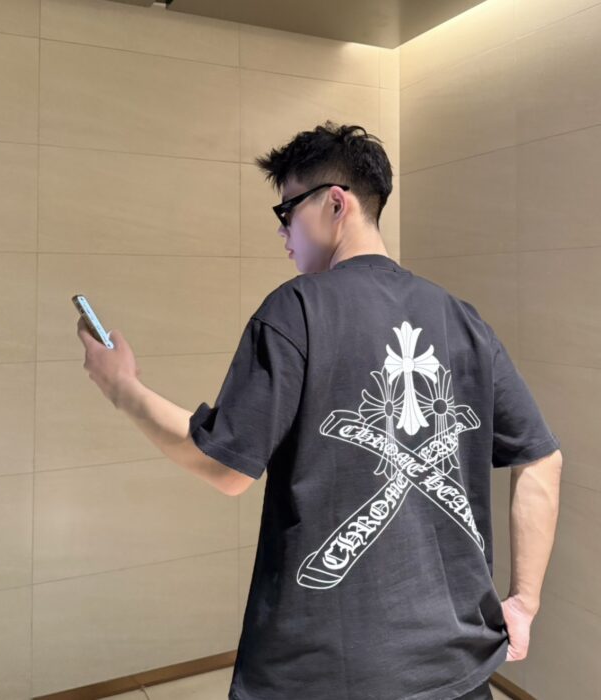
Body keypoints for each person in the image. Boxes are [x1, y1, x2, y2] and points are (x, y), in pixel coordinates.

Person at [77, 121, 563, 700]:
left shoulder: (296, 310)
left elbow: (224, 465)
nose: (282, 232)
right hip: (458, 665)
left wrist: (123, 387)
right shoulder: (461, 319)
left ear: (336, 203)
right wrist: (524, 602)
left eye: (287, 212)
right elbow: (542, 459)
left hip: (324, 670)